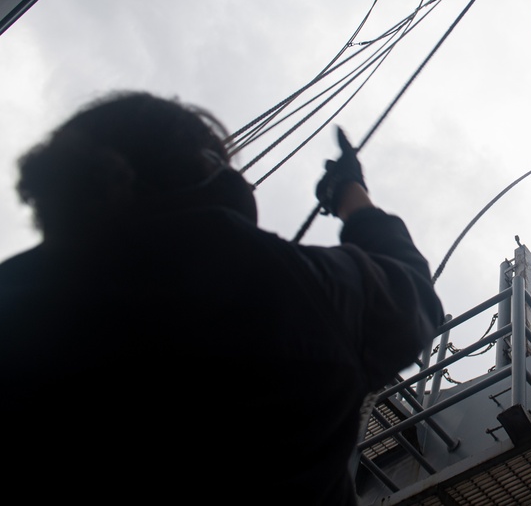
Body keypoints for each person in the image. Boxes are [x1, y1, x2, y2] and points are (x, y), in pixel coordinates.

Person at [0, 91, 443, 504]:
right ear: (208, 166)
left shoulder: (17, 298)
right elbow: (412, 296)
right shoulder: (275, 280)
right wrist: (350, 193)